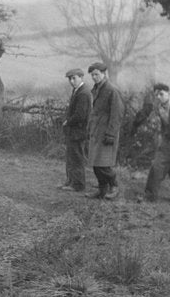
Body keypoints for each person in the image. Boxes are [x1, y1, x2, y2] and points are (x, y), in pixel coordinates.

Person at [85, 61, 124, 200]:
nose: (94, 77)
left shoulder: (111, 90)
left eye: (96, 74)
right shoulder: (97, 89)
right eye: (92, 75)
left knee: (104, 165)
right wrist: (90, 128)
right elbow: (95, 112)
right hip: (96, 132)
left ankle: (115, 186)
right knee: (95, 163)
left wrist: (111, 134)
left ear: (104, 74)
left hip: (107, 133)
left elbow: (117, 114)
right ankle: (102, 190)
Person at [130, 82, 170, 202]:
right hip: (166, 143)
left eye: (161, 94)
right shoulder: (158, 108)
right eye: (156, 95)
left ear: (168, 93)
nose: (158, 97)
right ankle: (150, 196)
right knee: (156, 167)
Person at [60, 68, 91, 192]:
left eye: (74, 78)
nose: (72, 81)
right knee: (71, 157)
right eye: (70, 79)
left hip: (78, 131)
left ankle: (78, 185)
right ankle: (71, 181)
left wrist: (68, 121)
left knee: (77, 158)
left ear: (81, 77)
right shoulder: (77, 90)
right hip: (73, 131)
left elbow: (80, 115)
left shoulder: (83, 93)